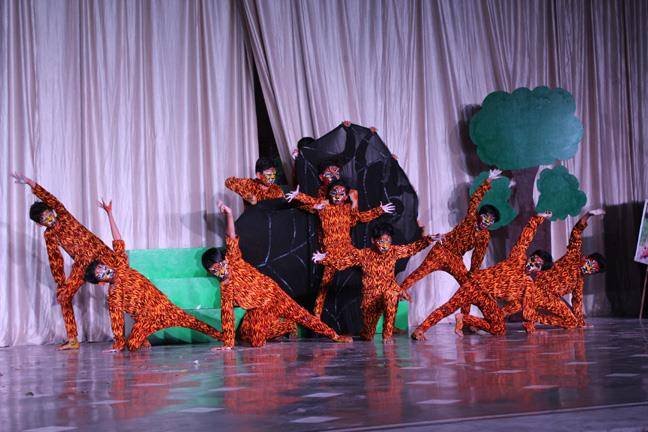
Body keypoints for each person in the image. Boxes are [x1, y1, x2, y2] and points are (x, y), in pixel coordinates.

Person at [201, 202, 353, 350]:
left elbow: (230, 236)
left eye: (221, 265)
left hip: (273, 295)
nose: (220, 271)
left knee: (302, 316)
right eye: (215, 270)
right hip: (259, 309)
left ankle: (333, 335)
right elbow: (227, 314)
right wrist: (228, 344)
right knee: (250, 338)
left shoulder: (234, 259)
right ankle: (285, 326)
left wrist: (229, 214)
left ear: (225, 260)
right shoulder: (225, 287)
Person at [83, 199, 222, 351]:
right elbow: (117, 321)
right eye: (100, 274)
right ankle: (143, 341)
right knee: (132, 345)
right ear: (101, 282)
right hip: (146, 320)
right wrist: (118, 343)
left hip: (163, 307)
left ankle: (224, 338)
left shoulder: (121, 266)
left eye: (102, 267)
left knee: (196, 323)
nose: (105, 270)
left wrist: (110, 214)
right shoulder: (113, 296)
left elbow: (118, 241)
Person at [11, 172, 116, 350]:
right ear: (39, 224)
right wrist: (61, 284)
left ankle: (133, 333)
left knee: (121, 284)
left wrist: (30, 183)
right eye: (43, 219)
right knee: (64, 296)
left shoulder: (64, 215)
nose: (48, 218)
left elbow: (51, 199)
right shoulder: (49, 235)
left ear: (52, 211)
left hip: (101, 254)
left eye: (48, 214)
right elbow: (56, 260)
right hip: (83, 265)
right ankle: (72, 339)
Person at [412, 212, 552, 339]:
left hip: (486, 297)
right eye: (533, 259)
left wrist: (531, 329)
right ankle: (421, 329)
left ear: (539, 270)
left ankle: (464, 318)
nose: (532, 264)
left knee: (499, 329)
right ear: (530, 256)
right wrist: (537, 219)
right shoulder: (518, 258)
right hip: (475, 285)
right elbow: (524, 239)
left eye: (537, 265)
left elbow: (528, 308)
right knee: (449, 307)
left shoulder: (527, 284)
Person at [285, 180, 395, 317]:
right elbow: (311, 203)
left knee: (372, 265)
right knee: (325, 284)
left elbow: (359, 218)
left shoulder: (348, 208)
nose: (337, 196)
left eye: (341, 194)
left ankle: (384, 300)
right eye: (334, 193)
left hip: (348, 249)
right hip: (330, 252)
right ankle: (317, 315)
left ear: (346, 196)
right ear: (329, 194)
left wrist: (379, 210)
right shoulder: (324, 206)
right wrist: (298, 195)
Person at [314, 222, 433, 343]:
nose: (385, 244)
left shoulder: (394, 251)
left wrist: (429, 240)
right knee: (368, 336)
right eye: (381, 241)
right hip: (370, 298)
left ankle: (387, 335)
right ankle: (366, 332)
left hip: (388, 291)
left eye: (388, 240)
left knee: (391, 295)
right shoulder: (364, 254)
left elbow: (411, 248)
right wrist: (324, 259)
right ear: (373, 240)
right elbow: (343, 262)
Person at [523, 209, 607, 331]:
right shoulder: (573, 256)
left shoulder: (579, 281)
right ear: (586, 258)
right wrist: (588, 215)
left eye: (593, 270)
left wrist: (581, 323)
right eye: (590, 264)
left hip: (550, 299)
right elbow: (576, 233)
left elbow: (577, 302)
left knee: (571, 322)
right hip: (537, 290)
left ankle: (534, 317)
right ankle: (529, 317)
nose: (589, 269)